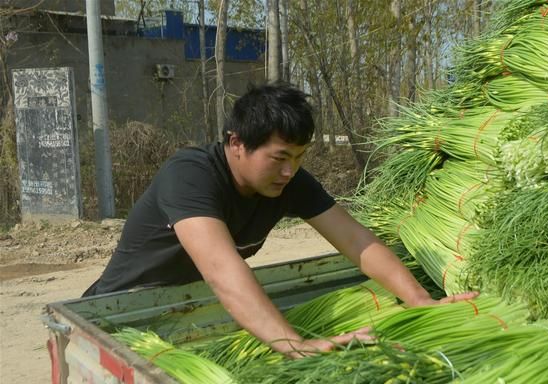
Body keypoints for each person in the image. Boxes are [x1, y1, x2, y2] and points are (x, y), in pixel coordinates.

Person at [84, 82, 478, 358]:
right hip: (119, 315)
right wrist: (293, 344)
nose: (290, 171)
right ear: (236, 142)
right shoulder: (189, 175)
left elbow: (356, 241)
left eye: (299, 157)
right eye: (279, 157)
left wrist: (421, 302)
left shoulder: (288, 183)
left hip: (194, 314)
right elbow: (222, 268)